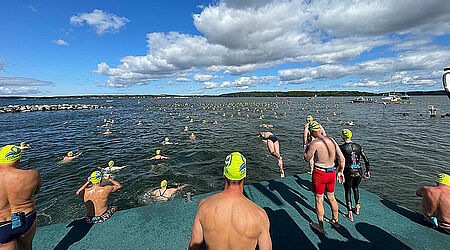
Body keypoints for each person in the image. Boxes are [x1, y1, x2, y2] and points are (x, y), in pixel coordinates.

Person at [189, 152, 272, 250]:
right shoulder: (260, 215)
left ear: (224, 174)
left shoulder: (204, 205)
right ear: (244, 176)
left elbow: (194, 247)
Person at [304, 121, 345, 234]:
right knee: (331, 197)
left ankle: (320, 226)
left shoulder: (314, 143)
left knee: (319, 199)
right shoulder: (331, 140)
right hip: (332, 172)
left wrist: (307, 146)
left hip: (319, 173)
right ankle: (335, 221)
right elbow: (341, 158)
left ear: (312, 132)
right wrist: (340, 171)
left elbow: (307, 158)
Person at [0, 145, 41, 249]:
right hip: (27, 218)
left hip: (2, 224)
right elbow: (36, 191)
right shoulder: (33, 175)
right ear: (18, 159)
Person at [338, 129, 370, 221]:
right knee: (355, 189)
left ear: (342, 137)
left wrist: (337, 171)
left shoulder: (341, 147)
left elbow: (338, 161)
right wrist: (367, 171)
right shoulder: (358, 146)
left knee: (347, 191)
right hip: (359, 171)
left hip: (348, 171)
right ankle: (357, 208)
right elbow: (366, 160)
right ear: (351, 136)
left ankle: (350, 214)